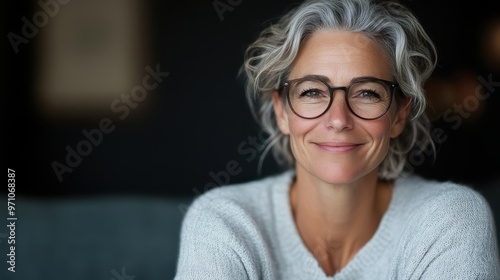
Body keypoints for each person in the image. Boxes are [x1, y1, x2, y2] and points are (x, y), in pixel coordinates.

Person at [174, 0, 500, 279]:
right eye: (313, 92)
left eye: (367, 93)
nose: (338, 120)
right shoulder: (225, 222)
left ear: (400, 114)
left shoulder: (449, 219)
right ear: (282, 111)